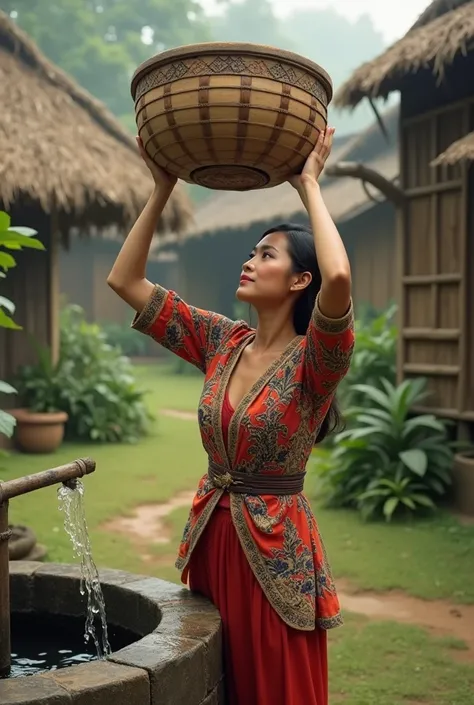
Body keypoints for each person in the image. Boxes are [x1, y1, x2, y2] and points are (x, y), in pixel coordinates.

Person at [107, 127, 354, 705]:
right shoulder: (223, 340)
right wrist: (161, 188)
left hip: (275, 547)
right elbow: (125, 280)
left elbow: (338, 277)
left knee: (272, 686)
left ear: (299, 280)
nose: (249, 261)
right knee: (216, 683)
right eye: (250, 251)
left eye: (265, 254)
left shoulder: (316, 361)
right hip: (213, 537)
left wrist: (310, 184)